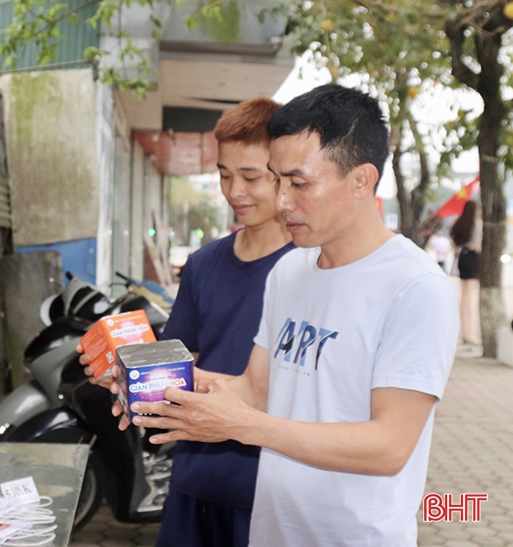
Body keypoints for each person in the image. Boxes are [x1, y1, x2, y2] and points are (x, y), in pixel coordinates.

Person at [121, 84, 459, 546]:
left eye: (299, 183)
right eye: (278, 180)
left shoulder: (415, 289)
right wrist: (161, 388)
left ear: (362, 180)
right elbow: (257, 389)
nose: (282, 201)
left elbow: (389, 446)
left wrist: (243, 426)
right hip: (273, 529)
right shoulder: (291, 269)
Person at [80, 98, 294, 545]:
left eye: (251, 176)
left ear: (284, 172)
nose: (235, 190)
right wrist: (125, 378)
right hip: (194, 479)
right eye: (223, 174)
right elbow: (176, 364)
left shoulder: (310, 270)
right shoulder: (203, 264)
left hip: (271, 491)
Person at [450, 200, 482, 346]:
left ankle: (465, 332)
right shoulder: (475, 224)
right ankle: (470, 335)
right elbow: (478, 245)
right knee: (471, 296)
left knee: (464, 296)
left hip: (462, 258)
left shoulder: (459, 223)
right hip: (473, 258)